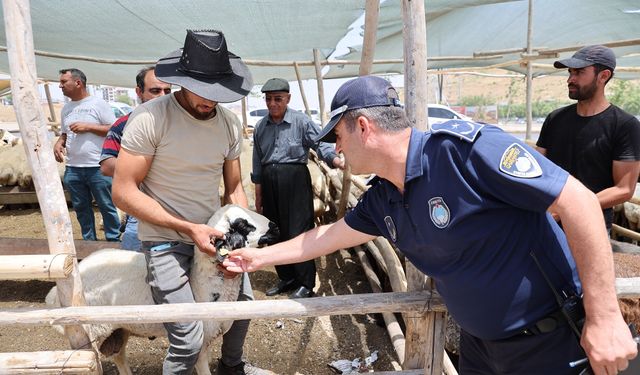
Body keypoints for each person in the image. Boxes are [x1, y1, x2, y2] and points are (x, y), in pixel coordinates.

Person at [225, 76, 638, 374]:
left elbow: (580, 201)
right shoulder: (383, 196)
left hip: (547, 345)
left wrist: (603, 316)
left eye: (338, 136)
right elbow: (326, 236)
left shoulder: (467, 153)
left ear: (363, 127)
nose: (336, 148)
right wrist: (258, 258)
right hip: (479, 348)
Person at [112, 30, 272, 375]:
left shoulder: (229, 124)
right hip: (166, 240)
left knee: (242, 307)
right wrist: (187, 228)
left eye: (219, 92)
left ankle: (233, 366)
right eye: (203, 91)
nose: (211, 100)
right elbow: (123, 192)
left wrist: (236, 242)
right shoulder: (151, 119)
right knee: (187, 336)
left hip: (215, 238)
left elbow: (233, 190)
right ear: (181, 81)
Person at [251, 78, 343, 299]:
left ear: (288, 99)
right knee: (275, 231)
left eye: (278, 99)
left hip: (295, 181)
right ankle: (286, 277)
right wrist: (258, 193)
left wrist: (335, 159)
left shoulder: (301, 122)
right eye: (269, 99)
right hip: (269, 181)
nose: (273, 103)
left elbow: (320, 144)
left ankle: (305, 282)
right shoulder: (261, 126)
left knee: (298, 231)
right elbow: (257, 162)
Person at [536, 45, 640, 231]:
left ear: (603, 76)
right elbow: (537, 167)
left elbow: (624, 189)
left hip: (591, 226)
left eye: (579, 72)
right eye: (570, 73)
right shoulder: (555, 119)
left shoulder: (624, 125)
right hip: (546, 221)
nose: (570, 79)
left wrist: (565, 210)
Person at [99, 66, 171, 250]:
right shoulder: (124, 124)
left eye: (167, 91)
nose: (162, 95)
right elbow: (107, 165)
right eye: (155, 90)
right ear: (139, 92)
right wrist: (153, 169)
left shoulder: (183, 125)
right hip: (140, 211)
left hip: (181, 209)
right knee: (134, 265)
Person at [53, 68, 120, 241]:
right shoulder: (66, 109)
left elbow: (114, 129)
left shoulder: (98, 104)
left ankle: (113, 241)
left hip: (97, 167)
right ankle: (89, 243)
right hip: (73, 167)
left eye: (63, 82)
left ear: (78, 82)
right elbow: (65, 132)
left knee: (107, 206)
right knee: (81, 208)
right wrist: (60, 141)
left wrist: (89, 127)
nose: (60, 86)